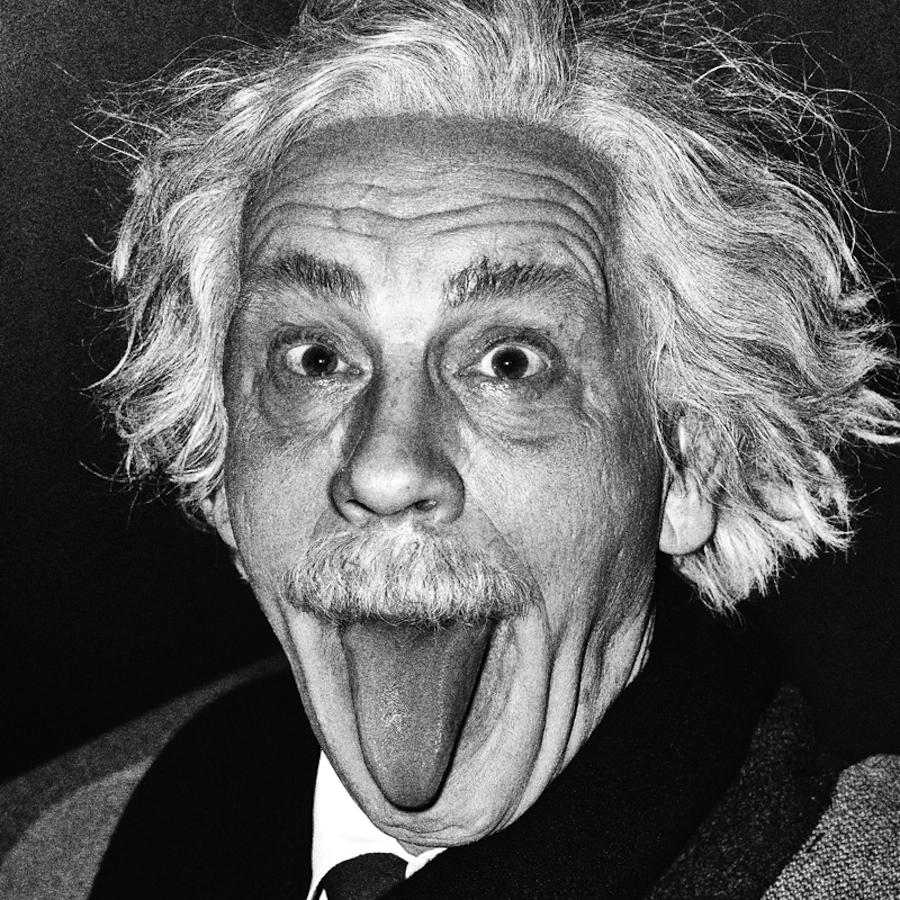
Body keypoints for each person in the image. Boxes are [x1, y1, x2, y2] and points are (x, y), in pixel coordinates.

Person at [20, 0, 900, 896]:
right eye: (315, 359)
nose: (386, 470)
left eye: (510, 362)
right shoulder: (66, 852)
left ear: (689, 463)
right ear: (220, 476)